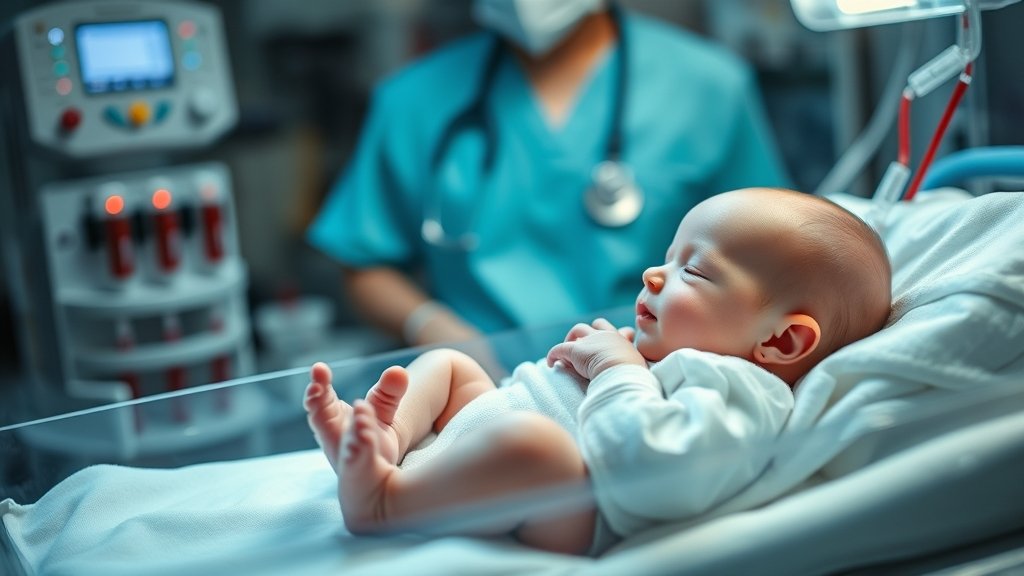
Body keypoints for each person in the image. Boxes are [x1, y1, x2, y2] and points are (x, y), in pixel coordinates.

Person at [303, 188, 892, 555]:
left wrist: (617, 369)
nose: (654, 276)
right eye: (667, 257)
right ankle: (391, 437)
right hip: (487, 431)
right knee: (454, 366)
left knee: (533, 449)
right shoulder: (664, 349)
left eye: (697, 272)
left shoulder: (743, 389)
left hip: (566, 508)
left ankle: (384, 501)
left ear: (783, 340)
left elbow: (664, 471)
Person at [307, 0, 790, 348]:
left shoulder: (708, 87)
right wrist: (430, 326)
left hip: (657, 372)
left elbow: (768, 256)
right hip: (483, 389)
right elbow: (362, 260)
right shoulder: (412, 100)